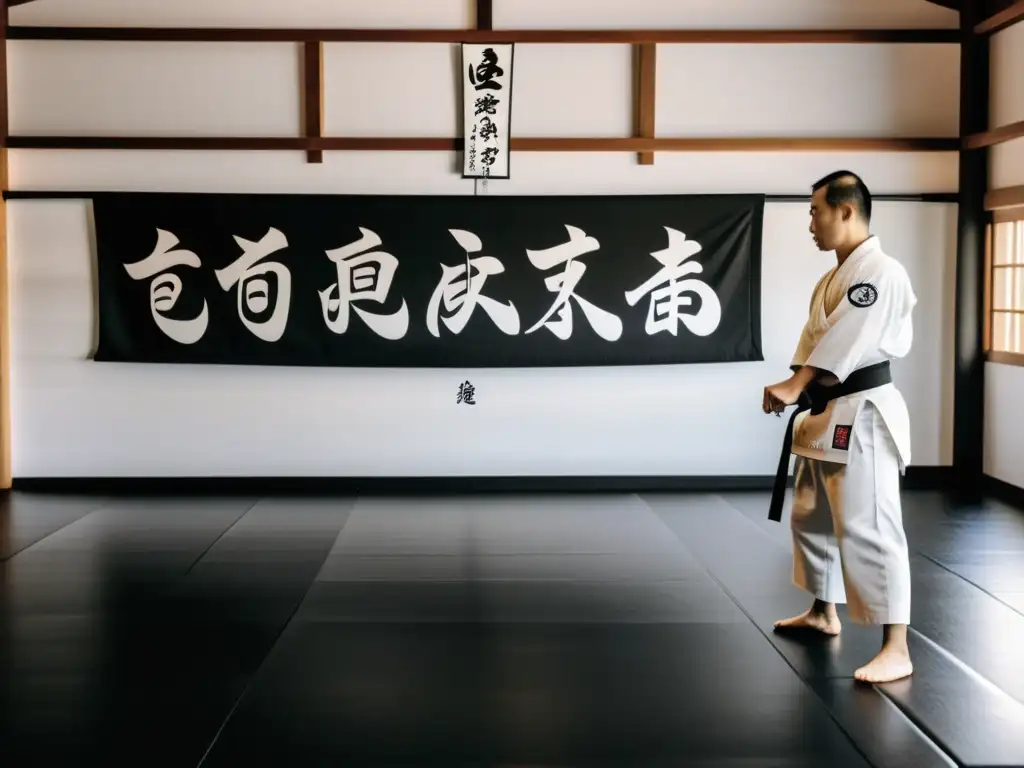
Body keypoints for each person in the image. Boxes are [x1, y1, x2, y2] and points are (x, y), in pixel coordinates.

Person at [762, 170, 916, 684]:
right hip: (826, 413)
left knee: (869, 525)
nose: (811, 221)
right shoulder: (830, 278)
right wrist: (794, 385)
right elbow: (812, 341)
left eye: (815, 211)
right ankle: (824, 611)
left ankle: (897, 646)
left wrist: (796, 384)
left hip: (865, 414)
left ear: (845, 211)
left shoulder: (883, 272)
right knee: (813, 518)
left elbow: (849, 341)